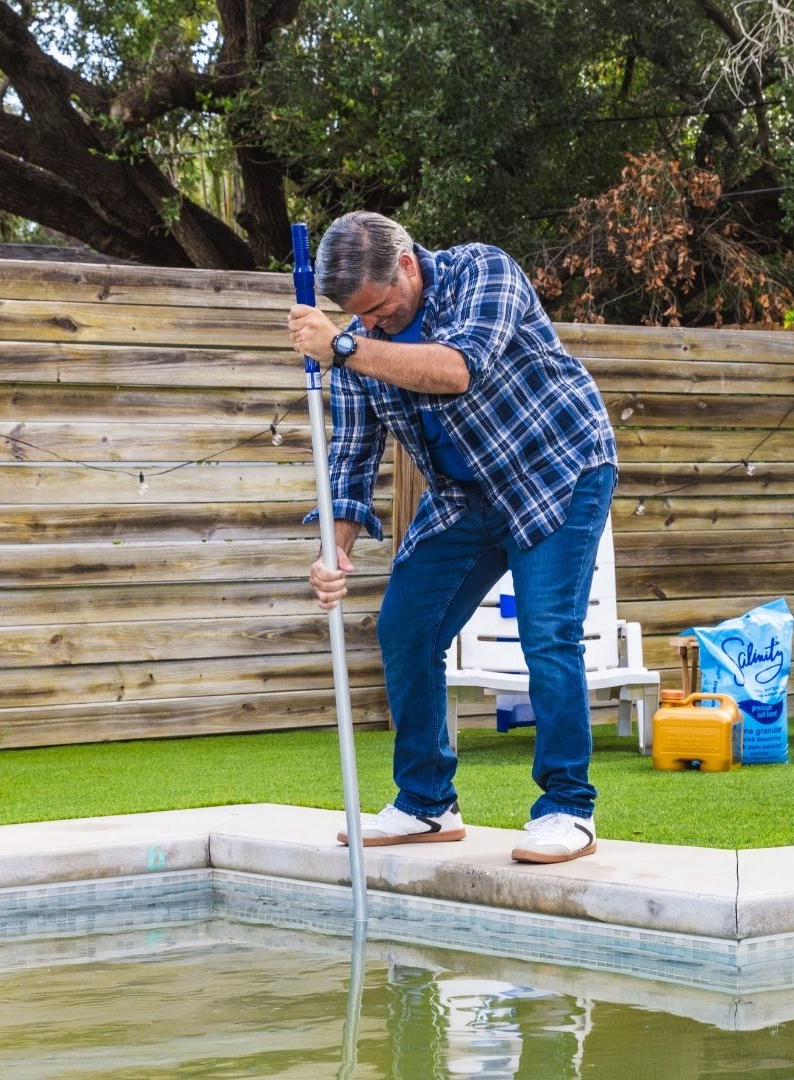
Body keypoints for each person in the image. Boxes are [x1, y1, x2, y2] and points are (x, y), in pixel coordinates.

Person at [289, 211, 617, 865]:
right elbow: (352, 460)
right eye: (359, 319)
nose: (370, 326)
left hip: (560, 468)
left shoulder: (482, 273)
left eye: (378, 310)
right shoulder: (355, 346)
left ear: (407, 266)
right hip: (468, 498)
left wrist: (346, 349)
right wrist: (336, 548)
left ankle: (567, 809)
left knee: (548, 631)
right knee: (406, 626)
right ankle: (426, 805)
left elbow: (459, 368)